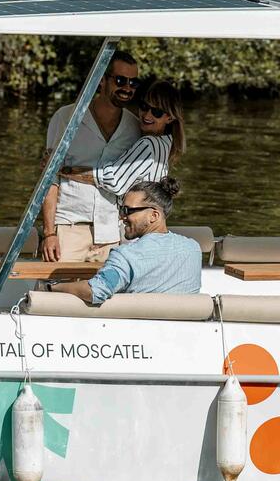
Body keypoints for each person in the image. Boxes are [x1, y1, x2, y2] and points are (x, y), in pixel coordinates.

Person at [38, 51, 142, 264]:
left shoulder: (134, 127)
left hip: (111, 235)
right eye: (120, 80)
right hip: (68, 230)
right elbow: (49, 178)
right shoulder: (66, 117)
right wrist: (49, 233)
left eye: (133, 82)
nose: (127, 88)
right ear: (102, 80)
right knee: (55, 286)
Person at [52, 177, 202, 306]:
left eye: (128, 211)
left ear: (154, 216)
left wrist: (52, 288)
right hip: (185, 328)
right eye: (121, 209)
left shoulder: (126, 255)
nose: (121, 217)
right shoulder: (193, 249)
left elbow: (95, 291)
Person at [59, 77, 184, 197]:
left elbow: (114, 181)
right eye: (144, 106)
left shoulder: (148, 144)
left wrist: (63, 170)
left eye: (157, 112)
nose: (147, 115)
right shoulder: (166, 144)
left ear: (170, 118)